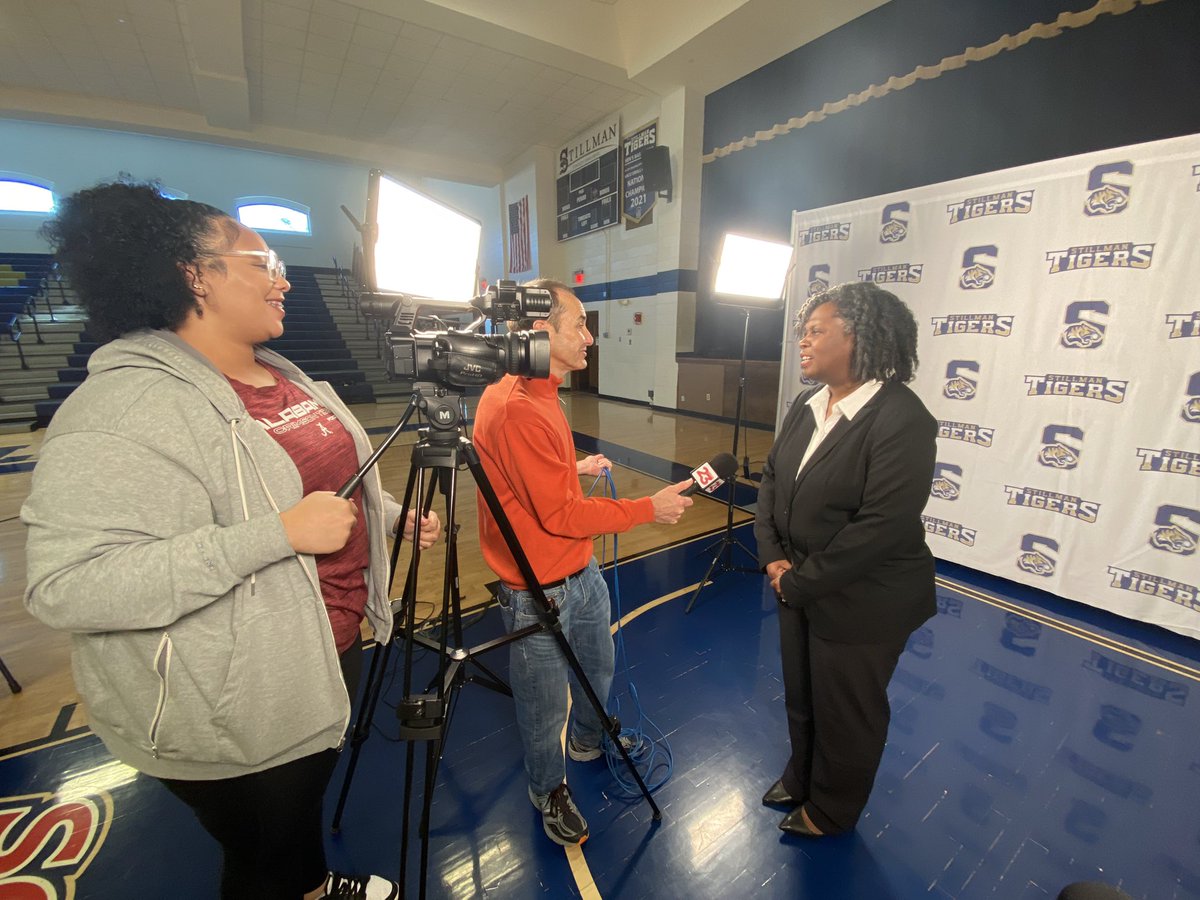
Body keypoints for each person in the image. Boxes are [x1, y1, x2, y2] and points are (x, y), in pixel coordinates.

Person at [22, 181, 440, 900]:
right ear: (195, 275)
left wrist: (388, 509)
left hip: (320, 649)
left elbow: (319, 482)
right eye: (262, 262)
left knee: (295, 816)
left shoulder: (281, 375)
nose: (282, 279)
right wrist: (276, 536)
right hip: (226, 693)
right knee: (260, 854)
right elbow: (70, 585)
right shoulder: (122, 407)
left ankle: (310, 885)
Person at [472, 278, 694, 846]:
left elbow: (536, 479)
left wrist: (574, 466)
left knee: (598, 668)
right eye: (579, 325)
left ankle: (591, 741)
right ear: (541, 331)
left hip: (579, 574)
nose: (589, 337)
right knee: (545, 707)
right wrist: (651, 507)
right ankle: (548, 791)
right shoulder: (516, 406)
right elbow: (561, 517)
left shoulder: (541, 392)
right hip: (537, 591)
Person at [754, 281, 937, 838]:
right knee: (804, 696)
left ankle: (833, 808)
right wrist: (774, 560)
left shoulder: (903, 418)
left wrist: (799, 582)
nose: (802, 342)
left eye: (816, 332)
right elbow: (769, 483)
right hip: (797, 586)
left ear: (856, 337)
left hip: (865, 600)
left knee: (847, 712)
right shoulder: (806, 404)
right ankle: (802, 775)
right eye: (802, 332)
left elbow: (880, 528)